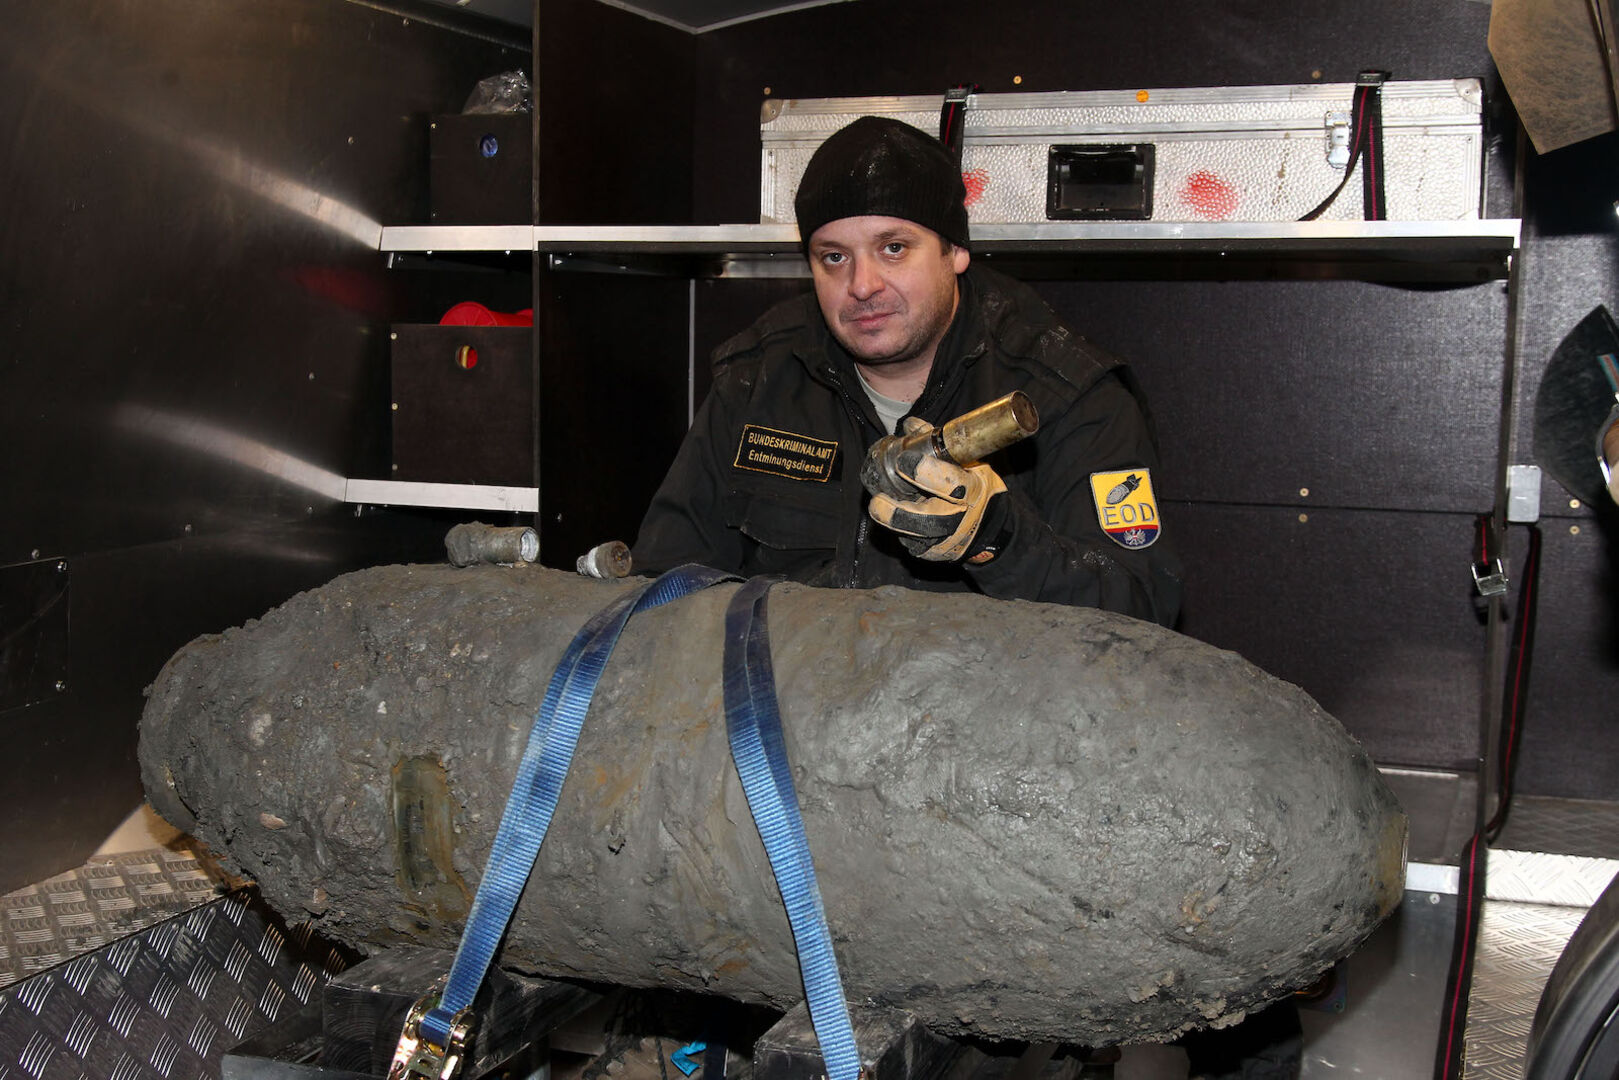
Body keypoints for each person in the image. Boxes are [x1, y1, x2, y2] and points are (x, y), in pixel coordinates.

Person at [632, 116, 1181, 627]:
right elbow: (664, 587)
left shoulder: (1067, 392)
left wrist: (1000, 542)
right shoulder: (758, 378)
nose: (862, 285)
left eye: (893, 248)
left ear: (955, 251)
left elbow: (1140, 612)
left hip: (984, 697)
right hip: (791, 690)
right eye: (834, 257)